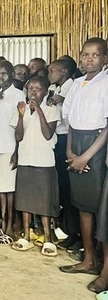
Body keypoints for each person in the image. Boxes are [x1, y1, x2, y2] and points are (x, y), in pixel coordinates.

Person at [60, 38, 108, 276]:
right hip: (76, 145)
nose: (89, 59)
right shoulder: (77, 84)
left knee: (102, 207)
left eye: (95, 55)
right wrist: (70, 152)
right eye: (85, 54)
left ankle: (102, 262)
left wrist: (86, 156)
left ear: (105, 59)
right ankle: (88, 259)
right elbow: (70, 121)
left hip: (96, 147)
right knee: (82, 205)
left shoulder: (106, 83)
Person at [10, 76, 60, 256]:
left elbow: (48, 134)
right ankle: (26, 236)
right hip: (25, 159)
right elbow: (18, 136)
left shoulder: (51, 109)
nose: (33, 91)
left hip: (44, 161)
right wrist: (22, 115)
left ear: (46, 91)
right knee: (25, 200)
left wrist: (38, 110)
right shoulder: (21, 109)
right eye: (31, 88)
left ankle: (48, 239)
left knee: (44, 201)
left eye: (38, 89)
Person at [0, 60, 25, 243]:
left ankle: (11, 226)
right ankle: (3, 225)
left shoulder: (18, 94)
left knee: (10, 189)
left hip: (9, 147)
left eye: (4, 73)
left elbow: (20, 126)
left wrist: (17, 152)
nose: (0, 77)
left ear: (11, 74)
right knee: (0, 189)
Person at [47, 59, 80, 250]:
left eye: (53, 71)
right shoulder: (56, 88)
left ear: (65, 71)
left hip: (69, 139)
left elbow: (73, 114)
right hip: (59, 139)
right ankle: (70, 231)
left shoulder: (73, 88)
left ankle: (76, 234)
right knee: (63, 189)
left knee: (70, 189)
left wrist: (64, 101)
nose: (49, 74)